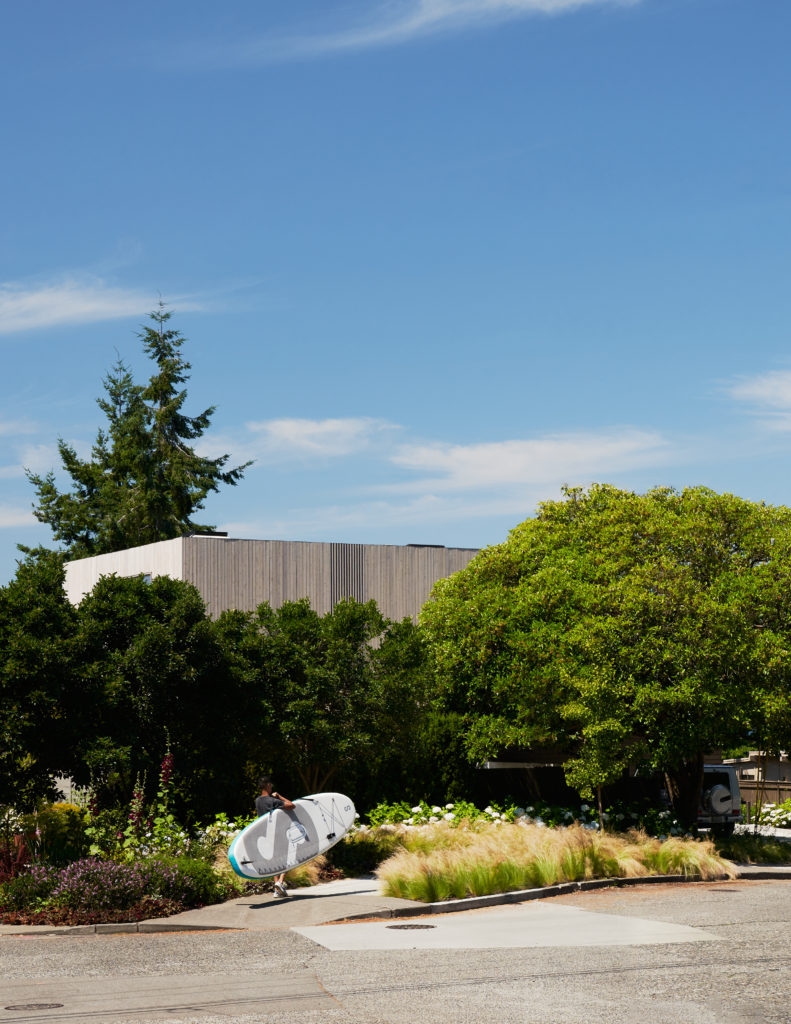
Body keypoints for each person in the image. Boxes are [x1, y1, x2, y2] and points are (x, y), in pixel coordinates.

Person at [255, 775, 295, 898]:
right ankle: (280, 882)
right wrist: (279, 796)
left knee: (274, 860)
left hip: (264, 834)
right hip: (276, 833)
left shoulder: (257, 801)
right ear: (267, 785)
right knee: (289, 857)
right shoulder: (272, 800)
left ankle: (277, 889)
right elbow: (291, 805)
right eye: (270, 785)